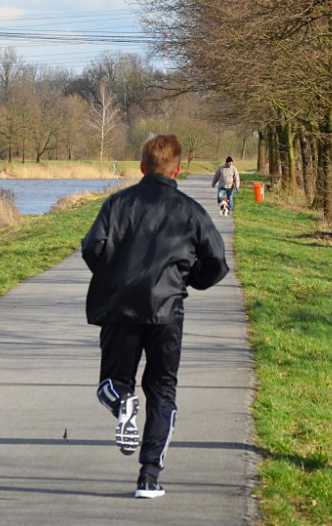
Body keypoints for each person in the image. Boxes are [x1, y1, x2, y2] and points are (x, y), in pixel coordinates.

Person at [81, 134, 229, 499]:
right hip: (167, 313)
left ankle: (121, 402)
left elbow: (91, 248)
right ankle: (149, 476)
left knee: (113, 382)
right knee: (162, 390)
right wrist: (189, 280)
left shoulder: (117, 204)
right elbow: (217, 263)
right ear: (177, 170)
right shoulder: (191, 211)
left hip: (120, 310)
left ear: (142, 167)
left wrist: (113, 277)